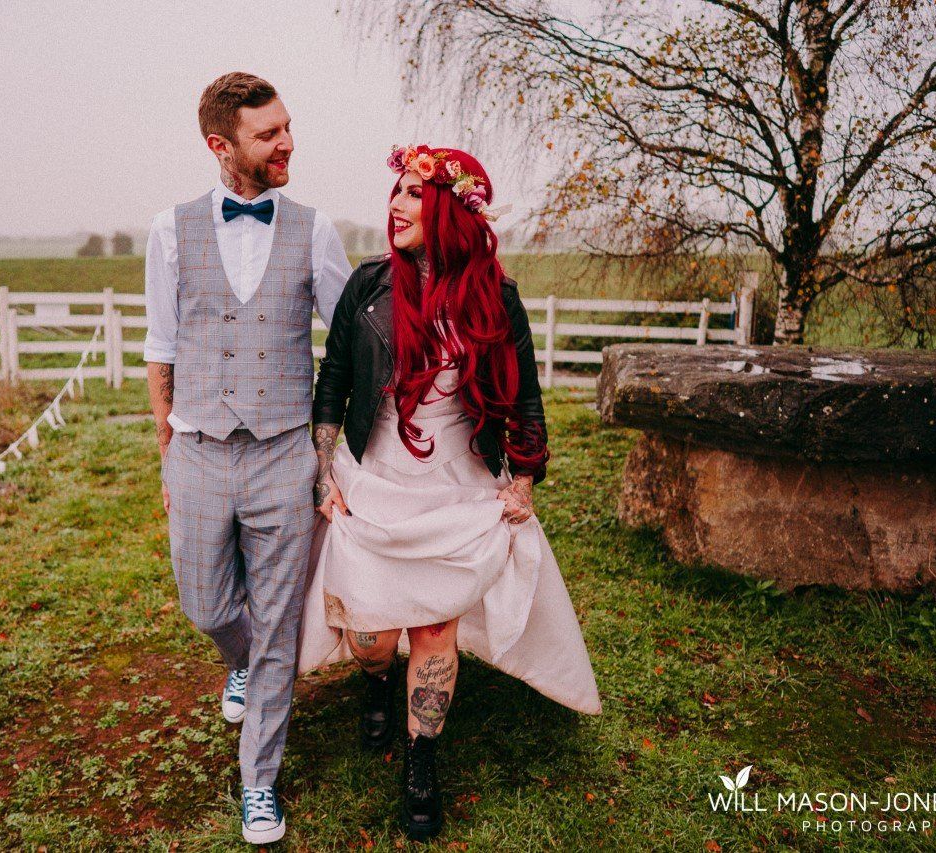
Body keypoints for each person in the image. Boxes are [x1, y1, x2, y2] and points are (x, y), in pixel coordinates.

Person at [297, 144, 602, 842]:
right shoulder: (368, 286)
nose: (396, 204)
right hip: (375, 483)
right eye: (396, 191)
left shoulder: (497, 297)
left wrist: (523, 477)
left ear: (449, 210)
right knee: (371, 634)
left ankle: (421, 760)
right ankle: (377, 681)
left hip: (457, 491)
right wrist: (324, 471)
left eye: (413, 193)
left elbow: (525, 398)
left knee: (436, 627)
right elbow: (333, 382)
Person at [143, 71, 351, 845]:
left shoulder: (315, 231)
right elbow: (161, 347)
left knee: (277, 623)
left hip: (283, 453)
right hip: (197, 449)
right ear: (221, 145)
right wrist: (166, 451)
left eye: (287, 126)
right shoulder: (169, 230)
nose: (288, 142)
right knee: (206, 605)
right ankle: (242, 658)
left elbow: (351, 341)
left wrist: (331, 453)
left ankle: (258, 781)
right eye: (269, 134)